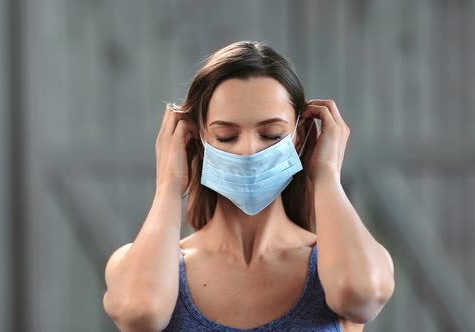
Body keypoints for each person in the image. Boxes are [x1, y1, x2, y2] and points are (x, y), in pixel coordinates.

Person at [102, 40, 395, 332]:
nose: (249, 150)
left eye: (271, 134)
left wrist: (326, 175)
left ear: (300, 134)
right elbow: (139, 313)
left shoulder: (337, 264)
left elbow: (361, 297)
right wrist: (168, 185)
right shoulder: (149, 269)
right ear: (195, 137)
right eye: (226, 136)